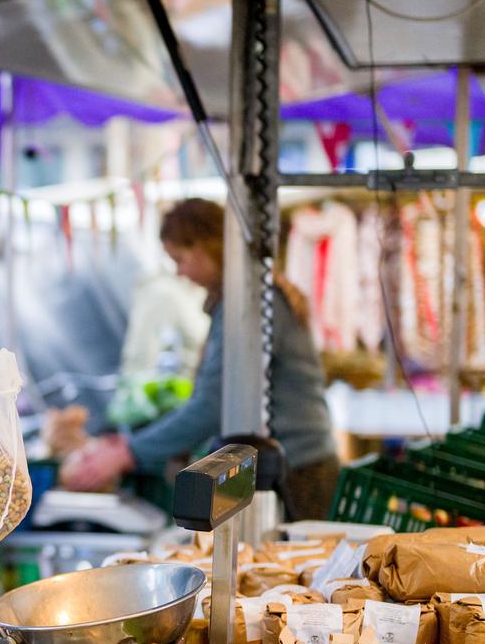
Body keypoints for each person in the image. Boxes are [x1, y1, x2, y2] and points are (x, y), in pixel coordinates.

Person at [59, 198, 340, 520]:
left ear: (208, 246)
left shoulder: (253, 303)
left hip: (298, 469)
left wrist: (129, 451)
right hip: (294, 463)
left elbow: (212, 403)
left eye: (180, 259)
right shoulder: (243, 299)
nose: (179, 272)